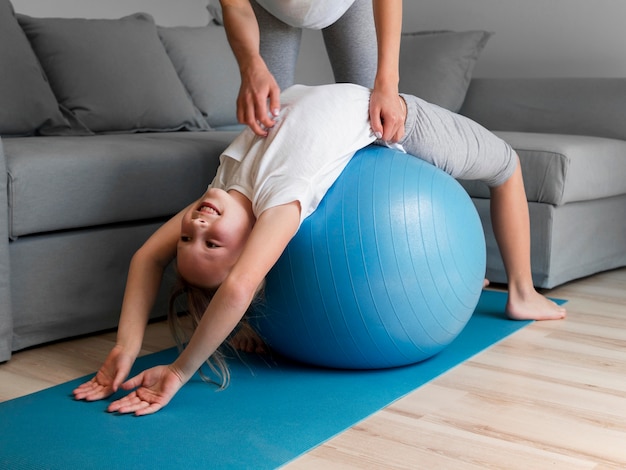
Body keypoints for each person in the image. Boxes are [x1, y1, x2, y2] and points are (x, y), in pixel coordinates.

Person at [73, 83, 566, 416]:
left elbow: (146, 258)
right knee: (506, 164)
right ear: (251, 244)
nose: (198, 223)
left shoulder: (223, 187)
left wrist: (126, 346)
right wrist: (181, 372)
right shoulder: (280, 201)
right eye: (210, 241)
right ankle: (521, 292)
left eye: (188, 236)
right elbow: (243, 283)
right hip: (391, 116)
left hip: (350, 95)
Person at [214, 0, 405, 142]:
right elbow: (235, 5)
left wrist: (388, 84)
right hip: (269, 6)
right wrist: (251, 66)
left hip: (347, 4)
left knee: (376, 124)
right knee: (265, 130)